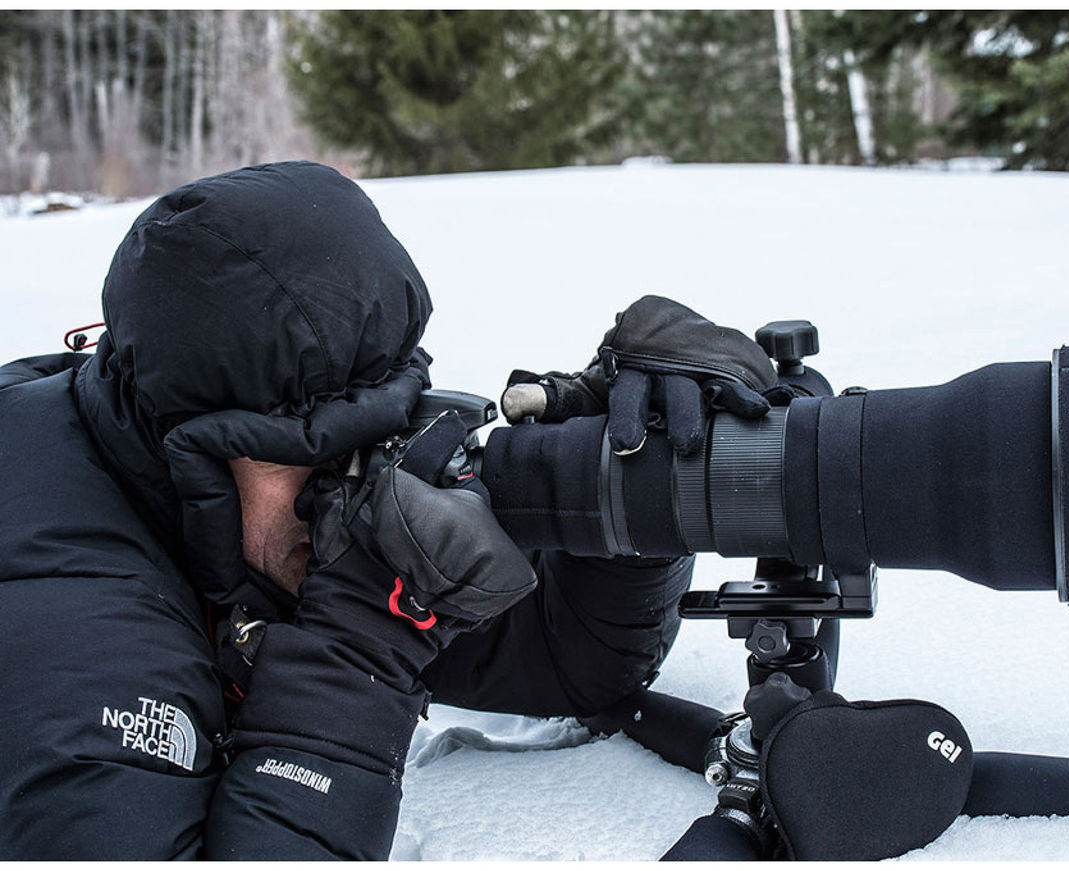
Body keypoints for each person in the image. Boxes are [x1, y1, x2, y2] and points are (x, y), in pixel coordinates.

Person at [0, 161, 780, 860]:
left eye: (378, 430)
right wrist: (362, 645)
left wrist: (630, 488)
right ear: (187, 453)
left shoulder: (237, 520)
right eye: (300, 450)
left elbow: (566, 667)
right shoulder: (71, 607)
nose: (348, 479)